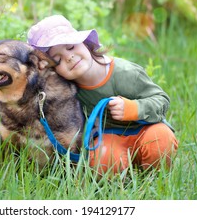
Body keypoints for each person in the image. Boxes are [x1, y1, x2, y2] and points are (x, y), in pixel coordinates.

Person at [27, 15, 178, 175]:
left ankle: (154, 178)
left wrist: (133, 108)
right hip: (108, 137)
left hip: (144, 129)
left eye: (71, 47)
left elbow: (161, 100)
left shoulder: (125, 73)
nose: (69, 57)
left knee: (160, 139)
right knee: (104, 158)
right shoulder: (67, 91)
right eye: (58, 60)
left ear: (84, 43)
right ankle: (121, 181)